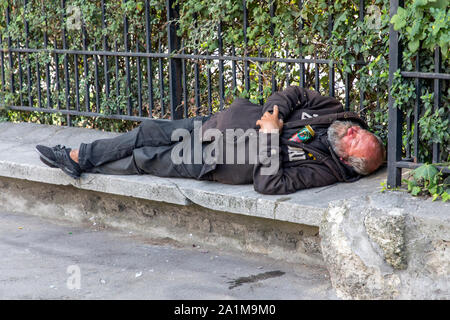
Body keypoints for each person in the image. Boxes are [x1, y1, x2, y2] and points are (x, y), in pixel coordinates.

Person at [36, 86, 385, 195]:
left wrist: (268, 138)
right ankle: (78, 155)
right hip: (214, 124)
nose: (353, 130)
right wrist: (274, 113)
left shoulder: (323, 170)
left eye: (355, 139)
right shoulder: (335, 113)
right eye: (361, 131)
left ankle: (83, 161)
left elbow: (269, 183)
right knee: (148, 132)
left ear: (346, 160)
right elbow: (292, 93)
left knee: (146, 158)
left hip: (216, 159)